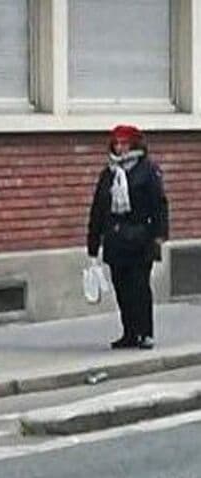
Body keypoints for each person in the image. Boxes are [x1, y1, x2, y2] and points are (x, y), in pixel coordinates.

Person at [87, 124, 169, 350]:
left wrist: (160, 235)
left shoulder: (147, 170)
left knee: (139, 287)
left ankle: (145, 332)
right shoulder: (109, 173)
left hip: (140, 238)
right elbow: (98, 209)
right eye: (117, 143)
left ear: (134, 145)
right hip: (115, 240)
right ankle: (129, 332)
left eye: (124, 143)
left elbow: (159, 204)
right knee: (121, 288)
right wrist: (93, 244)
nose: (120, 148)